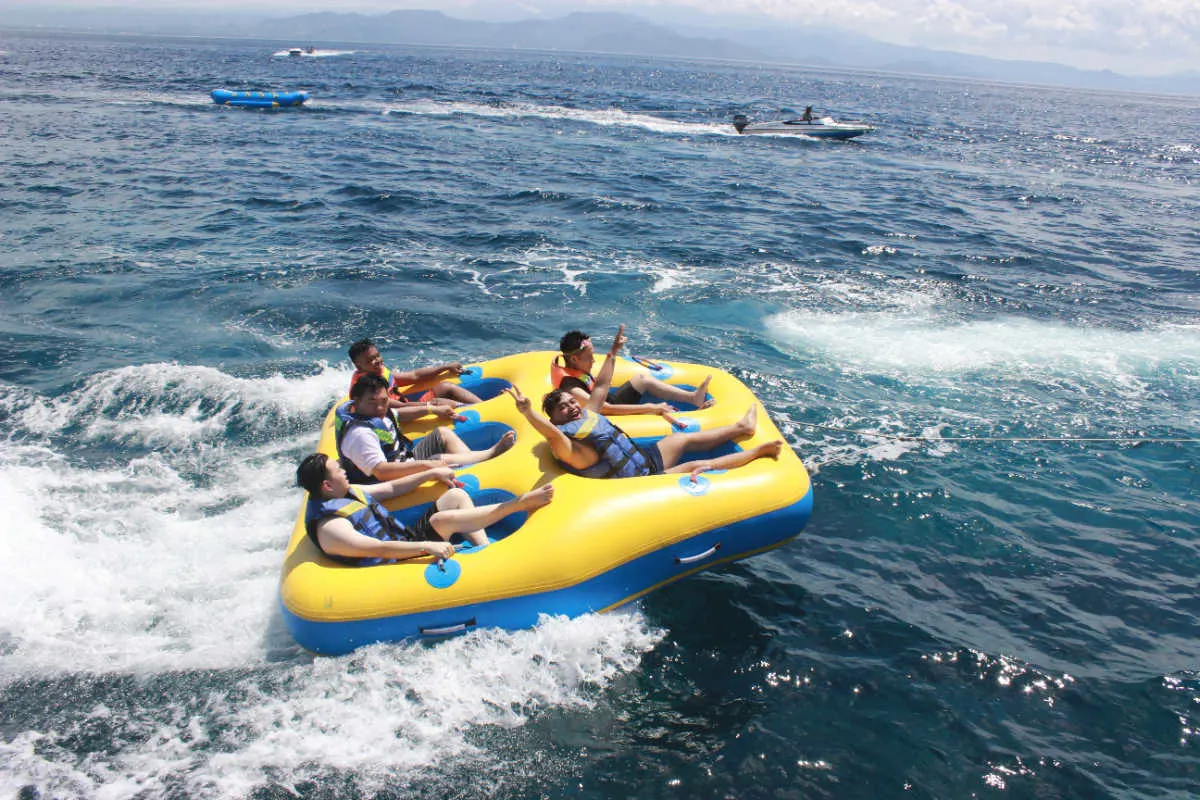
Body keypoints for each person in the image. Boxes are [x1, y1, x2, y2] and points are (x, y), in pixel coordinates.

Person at [509, 325, 783, 479]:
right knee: (700, 467)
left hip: (643, 459)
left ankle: (741, 428)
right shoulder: (567, 444)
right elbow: (550, 433)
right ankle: (758, 453)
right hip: (641, 480)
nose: (570, 406)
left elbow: (602, 386)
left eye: (570, 402)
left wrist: (614, 352)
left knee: (683, 440)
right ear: (555, 418)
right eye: (563, 408)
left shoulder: (587, 414)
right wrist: (528, 412)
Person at [297, 452, 554, 565]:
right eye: (338, 469)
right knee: (443, 521)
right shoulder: (331, 527)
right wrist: (426, 547)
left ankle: (484, 551)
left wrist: (430, 473)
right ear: (327, 486)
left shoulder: (347, 492)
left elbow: (390, 489)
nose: (343, 469)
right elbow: (377, 548)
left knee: (454, 494)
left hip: (403, 539)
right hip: (394, 562)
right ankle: (517, 505)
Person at [337, 373, 515, 484]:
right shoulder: (360, 434)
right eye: (372, 402)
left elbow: (398, 415)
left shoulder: (378, 413)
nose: (380, 408)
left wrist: (433, 409)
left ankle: (475, 467)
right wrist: (427, 464)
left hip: (404, 459)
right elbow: (381, 472)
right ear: (357, 401)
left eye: (384, 401)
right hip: (387, 480)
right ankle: (489, 455)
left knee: (442, 434)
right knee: (439, 459)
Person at [552, 327, 713, 424]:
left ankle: (692, 398)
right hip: (609, 413)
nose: (594, 360)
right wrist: (649, 408)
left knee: (642, 379)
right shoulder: (572, 389)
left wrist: (614, 351)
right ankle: (695, 415)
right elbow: (605, 409)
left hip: (609, 400)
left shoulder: (576, 369)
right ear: (574, 359)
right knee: (655, 411)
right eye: (590, 357)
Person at [348, 338, 482, 408]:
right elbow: (392, 408)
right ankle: (480, 409)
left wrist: (446, 367)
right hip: (397, 415)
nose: (377, 361)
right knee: (440, 402)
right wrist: (429, 406)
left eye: (377, 356)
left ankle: (484, 405)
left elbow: (414, 376)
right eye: (370, 360)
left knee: (445, 387)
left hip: (405, 405)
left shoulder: (379, 371)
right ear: (358, 364)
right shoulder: (365, 387)